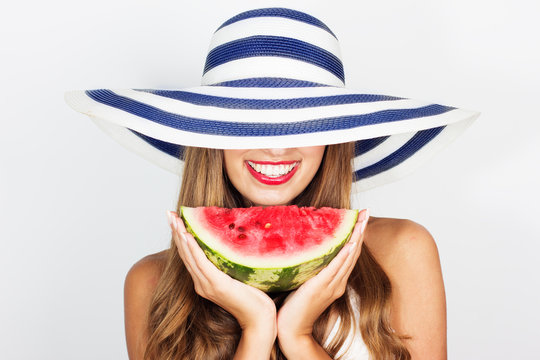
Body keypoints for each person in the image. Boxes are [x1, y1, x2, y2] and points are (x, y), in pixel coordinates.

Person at [65, 7, 479, 360]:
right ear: (213, 139)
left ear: (332, 138)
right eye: (249, 125)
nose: (277, 149)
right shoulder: (151, 283)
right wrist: (256, 329)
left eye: (302, 125)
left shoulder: (403, 250)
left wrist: (298, 337)